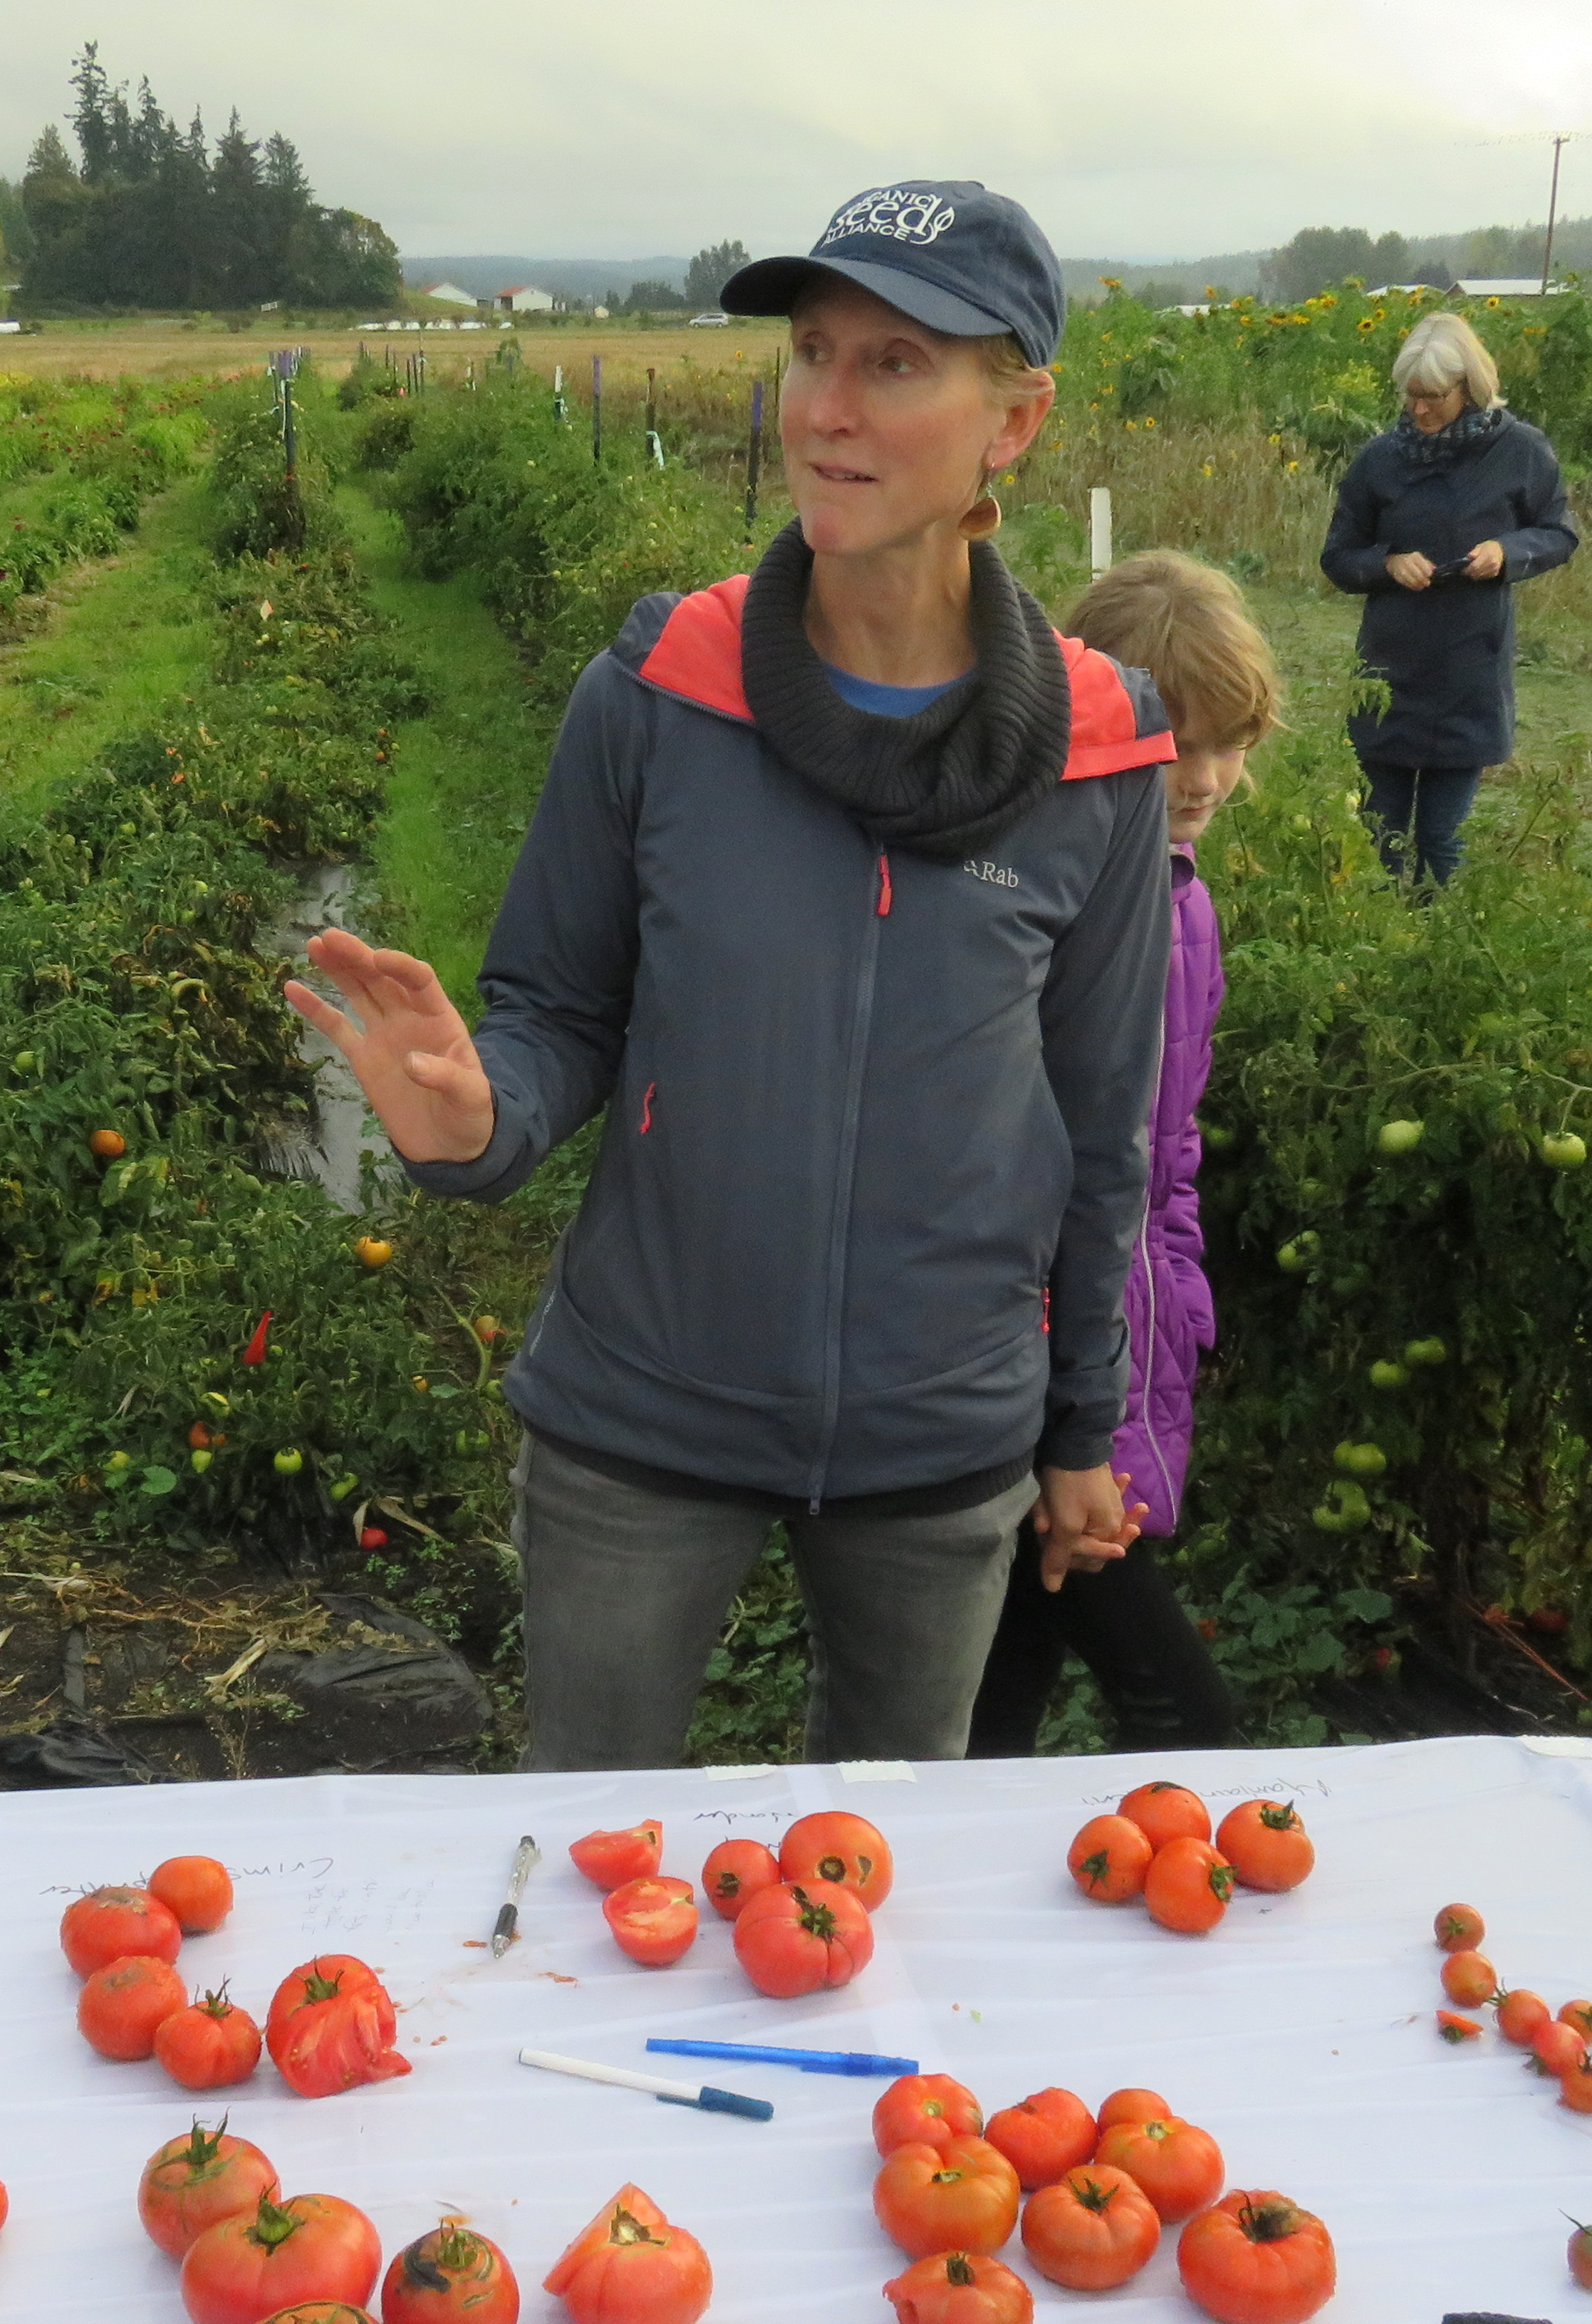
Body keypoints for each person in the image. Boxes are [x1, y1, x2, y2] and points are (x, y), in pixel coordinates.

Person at [284, 179, 1177, 1771]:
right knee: (589, 1864)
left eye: (894, 365)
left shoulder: (1098, 758)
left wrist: (1077, 1430)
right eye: (810, 352)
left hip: (939, 1440)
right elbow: (556, 1010)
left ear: (1014, 420)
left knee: (870, 1883)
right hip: (645, 1422)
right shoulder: (660, 691)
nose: (824, 410)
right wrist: (475, 1121)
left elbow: (1100, 1131)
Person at [968, 551, 1280, 1757]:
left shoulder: (1178, 898)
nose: (1203, 778)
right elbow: (1040, 1181)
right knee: (1186, 1723)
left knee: (1001, 1697)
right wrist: (1072, 1435)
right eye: (1175, 743)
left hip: (1119, 1371)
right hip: (1046, 1387)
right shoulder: (1057, 904)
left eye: (1230, 742)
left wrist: (1176, 1327)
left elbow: (1165, 1160)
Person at [1318, 310, 1577, 889]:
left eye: (1432, 396)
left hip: (1470, 670)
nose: (1419, 410)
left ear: (1471, 388)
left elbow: (1560, 533)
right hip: (1389, 671)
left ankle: (1432, 952)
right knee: (1379, 835)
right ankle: (1376, 945)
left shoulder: (1521, 451)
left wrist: (1506, 553)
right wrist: (1386, 563)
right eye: (1410, 396)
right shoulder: (1381, 458)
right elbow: (1338, 556)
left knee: (1441, 839)